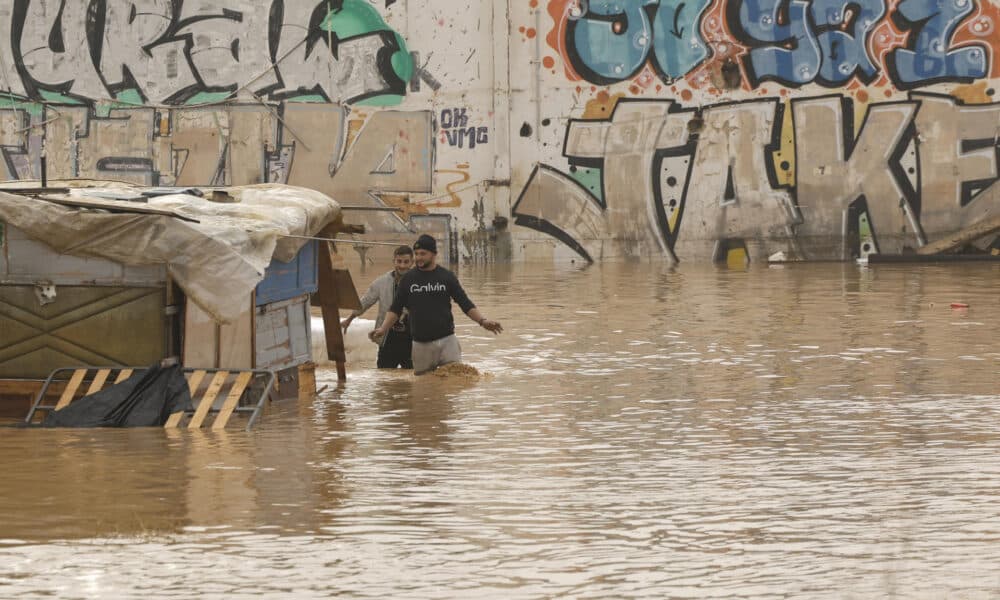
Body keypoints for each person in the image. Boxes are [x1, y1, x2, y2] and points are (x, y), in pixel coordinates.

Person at [370, 234, 502, 375]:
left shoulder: (446, 277)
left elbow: (465, 303)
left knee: (455, 381)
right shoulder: (408, 279)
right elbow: (395, 309)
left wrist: (483, 321)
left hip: (447, 341)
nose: (419, 257)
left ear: (434, 254)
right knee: (424, 388)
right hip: (420, 345)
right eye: (417, 254)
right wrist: (383, 329)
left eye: (423, 254)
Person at [341, 245, 414, 369]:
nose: (402, 265)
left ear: (412, 262)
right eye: (399, 261)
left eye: (406, 262)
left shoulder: (420, 282)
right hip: (387, 336)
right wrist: (349, 319)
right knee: (384, 377)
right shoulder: (382, 282)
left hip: (412, 337)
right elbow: (365, 302)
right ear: (393, 261)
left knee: (415, 377)